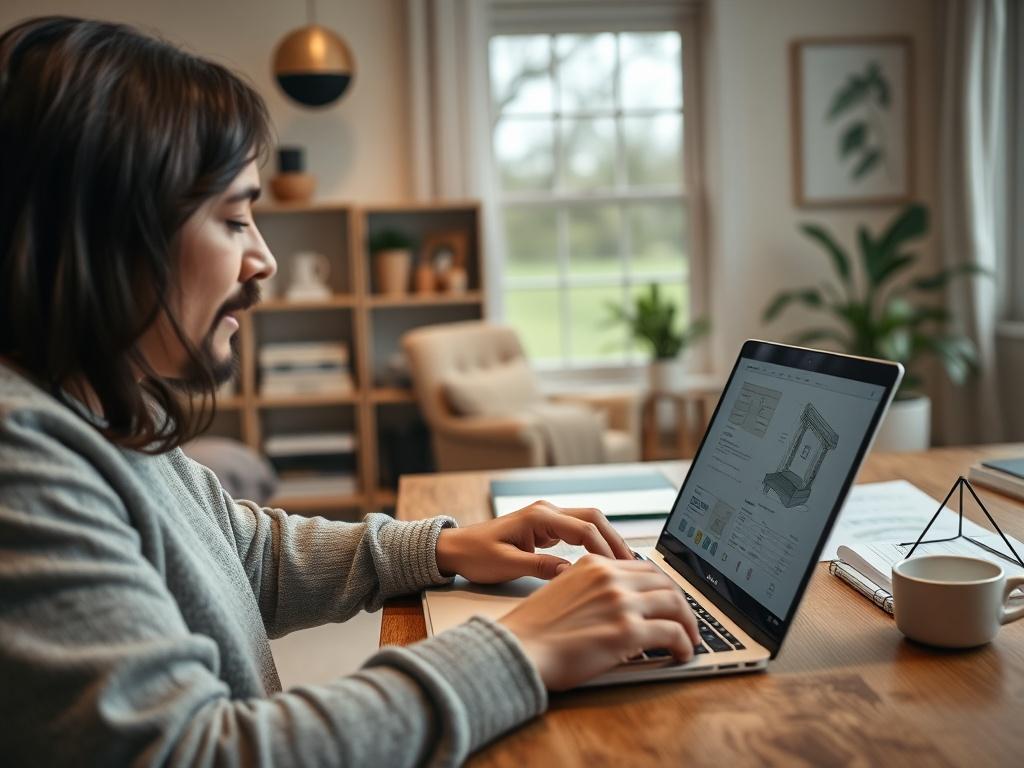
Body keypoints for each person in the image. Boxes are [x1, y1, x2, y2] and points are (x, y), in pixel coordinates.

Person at [0, 16, 699, 767]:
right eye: (234, 219)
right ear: (109, 235)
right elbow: (193, 754)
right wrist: (523, 645)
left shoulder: (101, 413)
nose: (262, 259)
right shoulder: (22, 458)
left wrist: (444, 548)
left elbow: (243, 557)